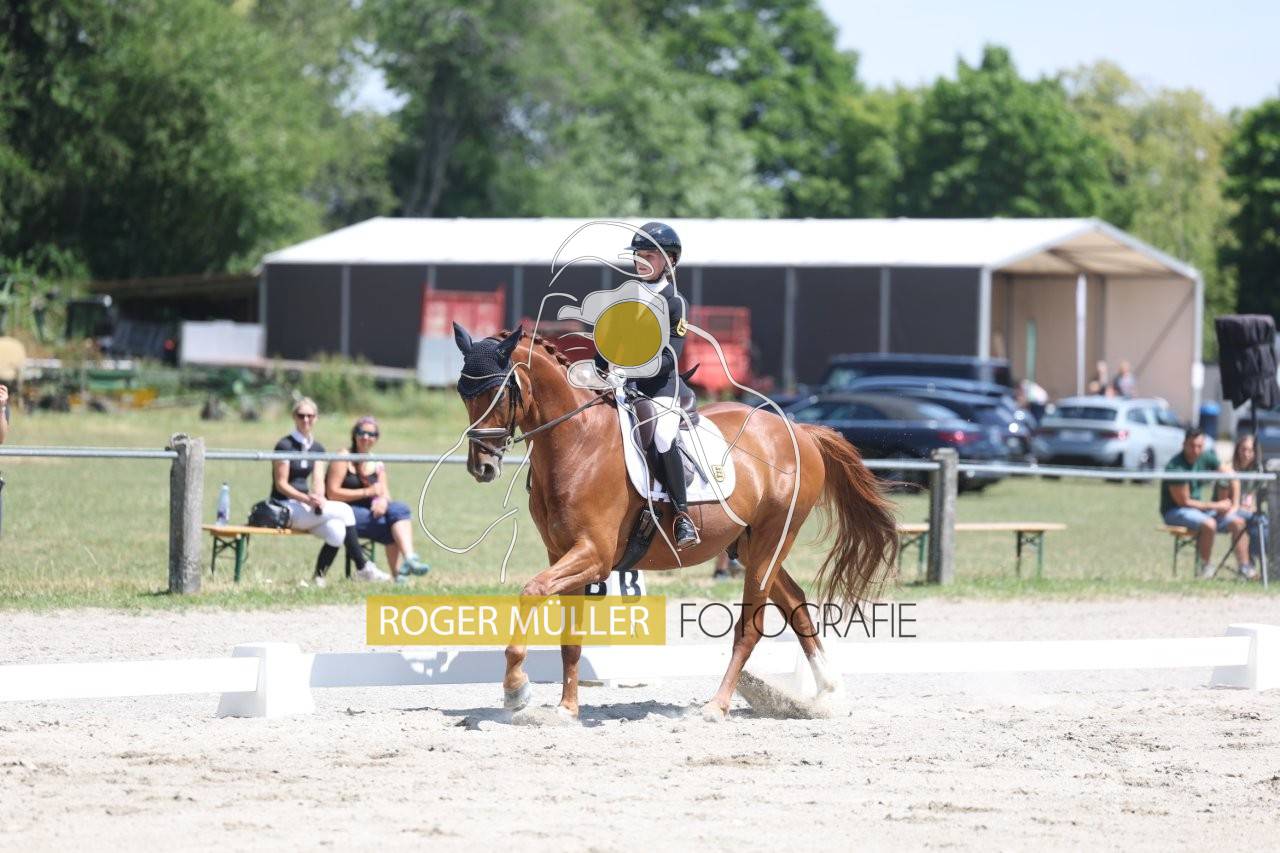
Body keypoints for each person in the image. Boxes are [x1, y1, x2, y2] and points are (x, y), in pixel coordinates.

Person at [607, 221, 699, 549]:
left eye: (649, 256)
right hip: (625, 385)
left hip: (661, 388)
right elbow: (608, 341)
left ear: (669, 261)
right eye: (638, 256)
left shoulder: (675, 303)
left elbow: (671, 357)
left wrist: (630, 367)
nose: (641, 262)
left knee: (662, 436)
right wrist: (599, 366)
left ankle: (682, 516)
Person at [270, 398, 390, 586]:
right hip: (284, 506)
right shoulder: (284, 445)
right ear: (294, 417)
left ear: (316, 418)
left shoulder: (317, 448)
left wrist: (318, 497)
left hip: (305, 506)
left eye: (310, 416)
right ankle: (363, 567)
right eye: (301, 415)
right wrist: (306, 498)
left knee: (337, 530)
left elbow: (318, 480)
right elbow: (281, 484)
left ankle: (318, 578)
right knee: (345, 510)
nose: (306, 420)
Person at [325, 416, 430, 581]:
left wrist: (383, 502)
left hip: (369, 511)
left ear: (376, 438)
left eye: (371, 434)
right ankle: (399, 575)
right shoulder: (344, 457)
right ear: (354, 434)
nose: (366, 437)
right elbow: (332, 493)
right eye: (362, 432)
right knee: (390, 526)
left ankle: (409, 558)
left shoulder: (376, 462)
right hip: (344, 512)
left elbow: (384, 492)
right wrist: (367, 492)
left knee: (400, 509)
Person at [1159, 428, 1252, 580]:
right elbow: (1184, 502)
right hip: (1175, 511)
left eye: (1199, 446)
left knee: (1238, 522)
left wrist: (1234, 506)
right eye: (1191, 445)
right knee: (1209, 524)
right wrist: (1217, 506)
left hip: (1199, 511)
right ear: (1184, 444)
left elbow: (1231, 475)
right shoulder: (1175, 467)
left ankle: (1245, 568)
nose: (1196, 450)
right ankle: (1205, 569)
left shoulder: (1205, 457)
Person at [1214, 434, 1264, 578]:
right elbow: (1223, 505)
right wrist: (1242, 507)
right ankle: (1246, 567)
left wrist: (1249, 508)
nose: (1246, 454)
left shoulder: (1256, 472)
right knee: (1251, 521)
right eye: (1243, 449)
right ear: (1237, 450)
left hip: (1246, 513)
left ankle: (1263, 565)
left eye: (1250, 450)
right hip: (1224, 514)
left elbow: (1252, 501)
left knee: (1262, 522)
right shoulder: (1228, 471)